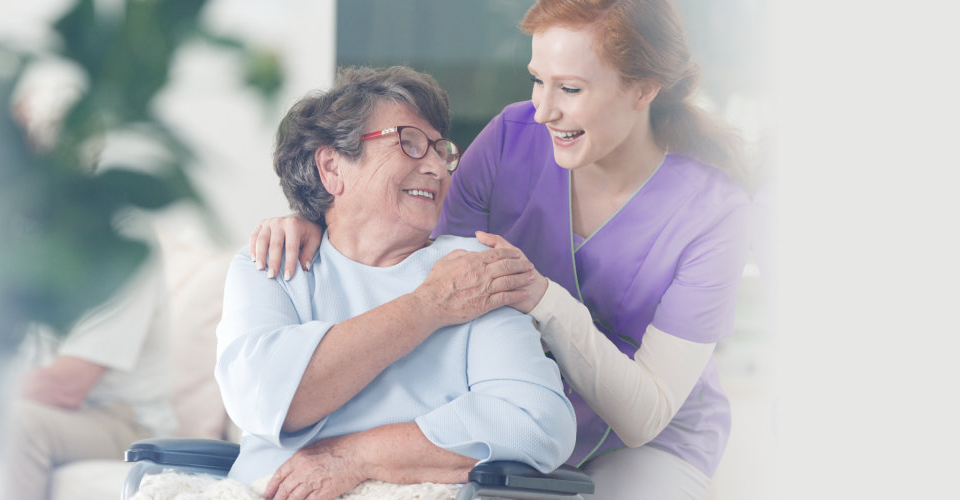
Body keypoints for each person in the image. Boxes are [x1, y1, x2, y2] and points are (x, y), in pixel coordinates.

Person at [245, 1, 751, 498]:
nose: (543, 109)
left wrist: (540, 297)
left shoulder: (712, 212)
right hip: (508, 418)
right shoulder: (513, 138)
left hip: (645, 441)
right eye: (538, 79)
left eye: (570, 88)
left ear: (643, 89)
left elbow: (645, 416)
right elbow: (417, 254)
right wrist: (316, 217)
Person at [216, 65, 577, 500]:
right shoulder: (274, 262)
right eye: (409, 143)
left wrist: (357, 457)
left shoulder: (471, 270)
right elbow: (266, 397)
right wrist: (428, 306)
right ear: (332, 167)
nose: (437, 169)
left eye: (441, 151)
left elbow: (537, 422)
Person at [3, 257, 179, 500]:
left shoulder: (121, 253)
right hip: (72, 414)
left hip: (130, 423)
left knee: (18, 423)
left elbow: (66, 386)